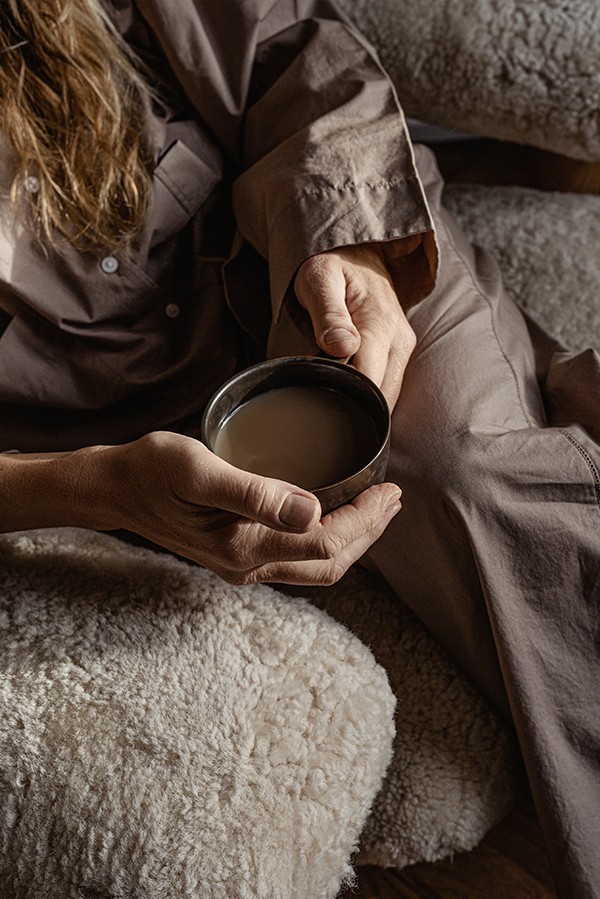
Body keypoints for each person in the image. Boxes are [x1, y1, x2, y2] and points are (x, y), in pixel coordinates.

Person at [0, 1, 597, 897]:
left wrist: (353, 248)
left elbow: (294, 53)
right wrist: (95, 489)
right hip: (119, 428)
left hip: (306, 247)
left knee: (462, 469)